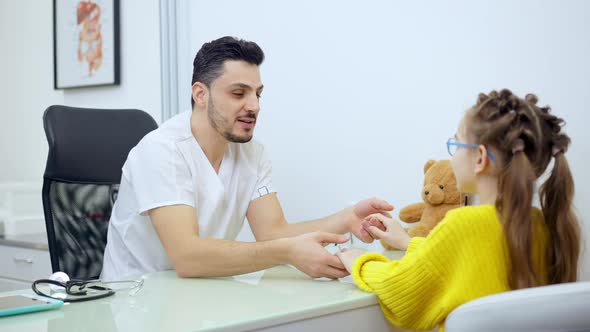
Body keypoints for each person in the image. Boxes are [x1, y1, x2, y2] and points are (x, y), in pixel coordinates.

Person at [100, 36, 392, 280]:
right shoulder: (161, 150)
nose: (254, 106)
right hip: (136, 304)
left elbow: (273, 232)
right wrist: (287, 251)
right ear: (200, 94)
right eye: (239, 93)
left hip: (201, 299)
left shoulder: (251, 152)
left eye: (258, 94)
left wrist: (347, 217)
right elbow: (188, 257)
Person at [336, 89, 581, 331]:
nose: (452, 158)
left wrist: (359, 261)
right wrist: (406, 241)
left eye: (456, 143)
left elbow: (399, 289)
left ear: (479, 158)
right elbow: (466, 264)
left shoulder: (463, 224)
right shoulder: (542, 223)